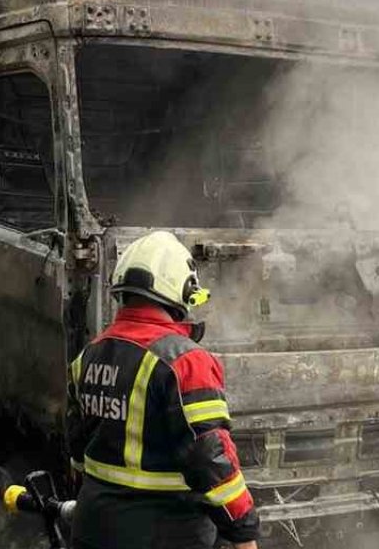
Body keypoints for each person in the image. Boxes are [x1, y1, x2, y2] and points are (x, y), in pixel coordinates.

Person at [67, 231, 260, 549]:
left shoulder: (89, 355)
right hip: (165, 531)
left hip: (92, 526)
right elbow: (209, 457)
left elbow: (77, 449)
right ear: (182, 289)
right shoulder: (185, 361)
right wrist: (244, 533)